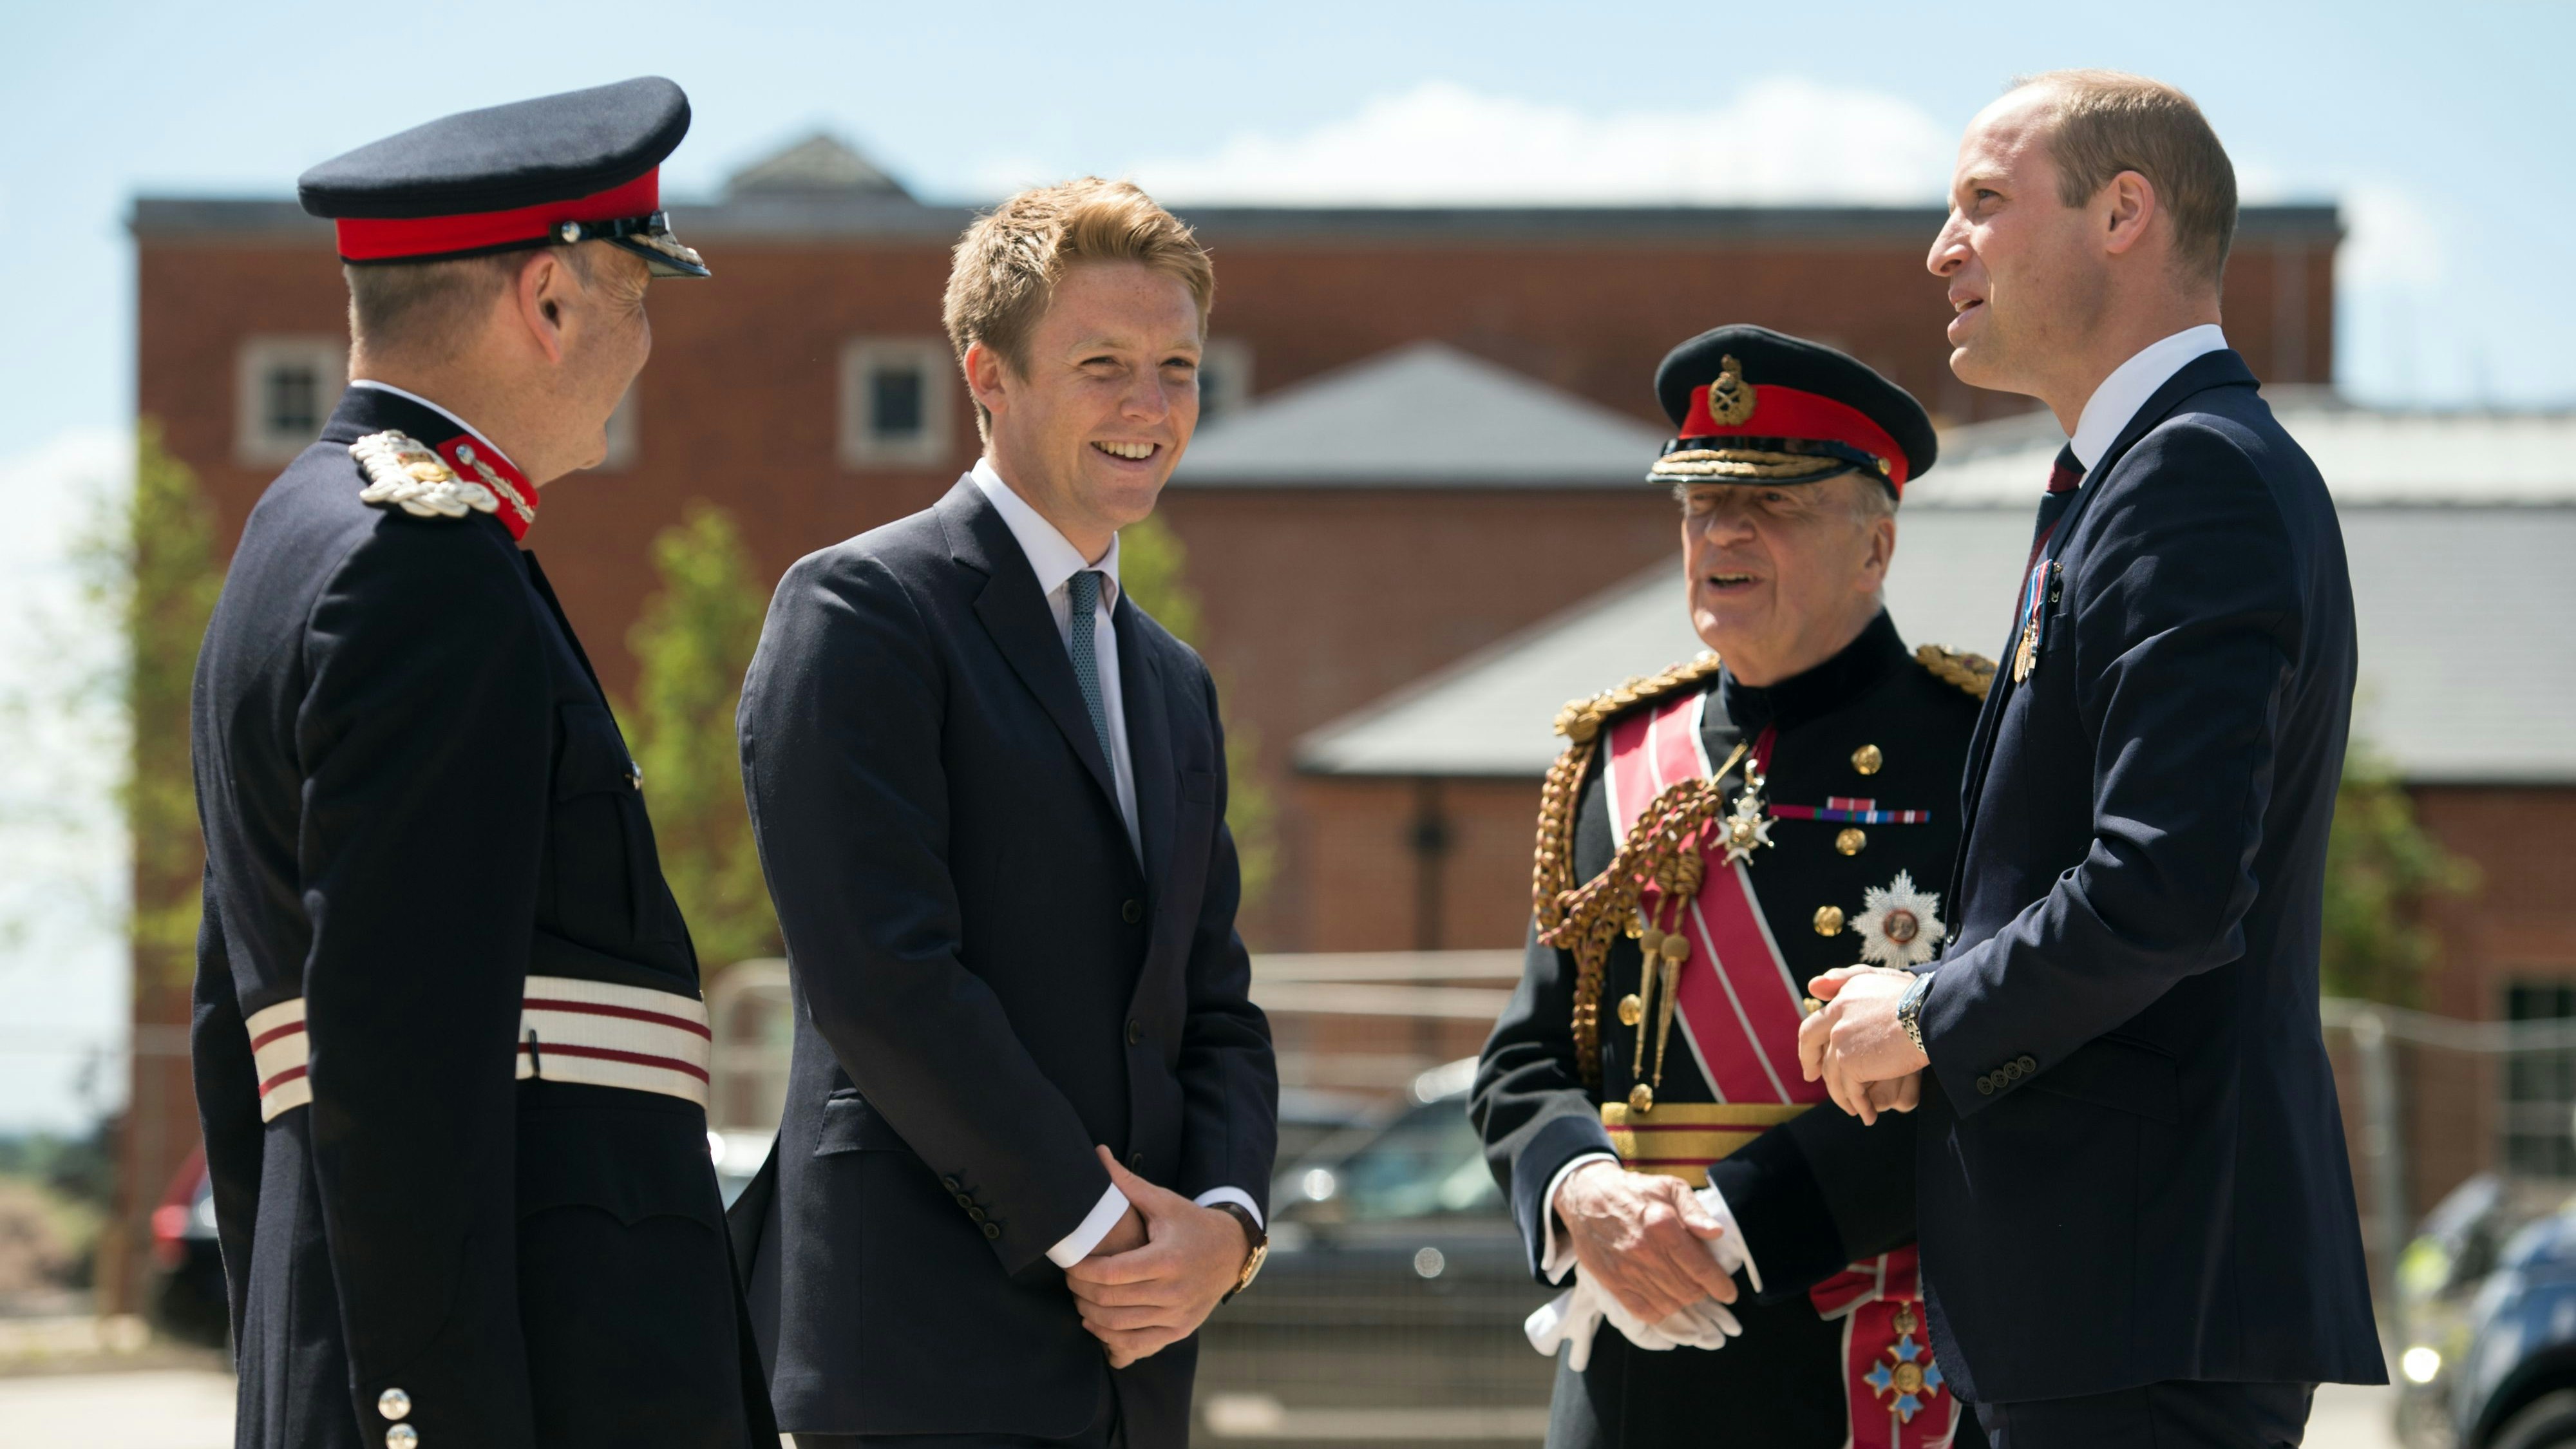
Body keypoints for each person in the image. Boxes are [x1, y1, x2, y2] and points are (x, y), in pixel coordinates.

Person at [1799, 70, 2383, 1447]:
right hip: (2102, 1298)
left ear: (2122, 212)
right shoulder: (2129, 481)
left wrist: (1928, 1018)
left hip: (2141, 1300)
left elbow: (2166, 886)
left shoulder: (2191, 480)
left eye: (1982, 203)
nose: (1942, 249)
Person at [189, 79, 773, 1449]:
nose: (643, 349)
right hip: (527, 1381)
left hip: (413, 1350)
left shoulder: (303, 546)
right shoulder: (420, 569)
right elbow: (397, 1048)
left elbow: (244, 1038)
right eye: (638, 296)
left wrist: (305, 1347)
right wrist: (420, 1413)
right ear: (551, 299)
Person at [728, 178, 1277, 1449]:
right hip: (913, 1359)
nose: (1148, 406)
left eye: (1176, 368)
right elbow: (882, 976)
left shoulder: (1173, 683)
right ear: (988, 375)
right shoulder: (862, 613)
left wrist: (1226, 1228)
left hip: (1132, 1368)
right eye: (1102, 364)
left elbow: (1215, 1005)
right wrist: (1106, 1240)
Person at [1474, 325, 1995, 1448]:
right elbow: (1524, 1060)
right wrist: (1583, 1193)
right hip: (1630, 1356)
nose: (1724, 531)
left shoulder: (1973, 755)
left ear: (1877, 547)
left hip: (1859, 1345)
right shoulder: (1616, 759)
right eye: (1701, 502)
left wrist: (1733, 1221)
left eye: (1778, 503)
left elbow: (1995, 1063)